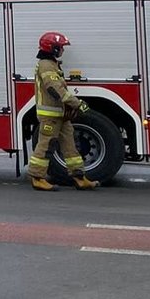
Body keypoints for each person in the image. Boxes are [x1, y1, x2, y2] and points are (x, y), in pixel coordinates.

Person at [28, 31, 96, 192]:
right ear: (52, 48)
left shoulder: (52, 64)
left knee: (70, 145)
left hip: (60, 115)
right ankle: (37, 178)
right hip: (50, 116)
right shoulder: (46, 65)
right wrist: (76, 103)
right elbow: (55, 89)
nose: (63, 50)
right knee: (46, 145)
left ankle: (79, 177)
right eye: (60, 47)